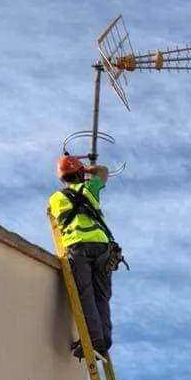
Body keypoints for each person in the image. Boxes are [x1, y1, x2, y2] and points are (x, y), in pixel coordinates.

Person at [48, 154, 127, 359]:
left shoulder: (55, 199)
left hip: (78, 247)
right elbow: (103, 171)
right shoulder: (89, 189)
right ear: (79, 173)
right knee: (101, 296)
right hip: (102, 247)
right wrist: (86, 168)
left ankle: (94, 339)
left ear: (61, 178)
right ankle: (103, 339)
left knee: (85, 294)